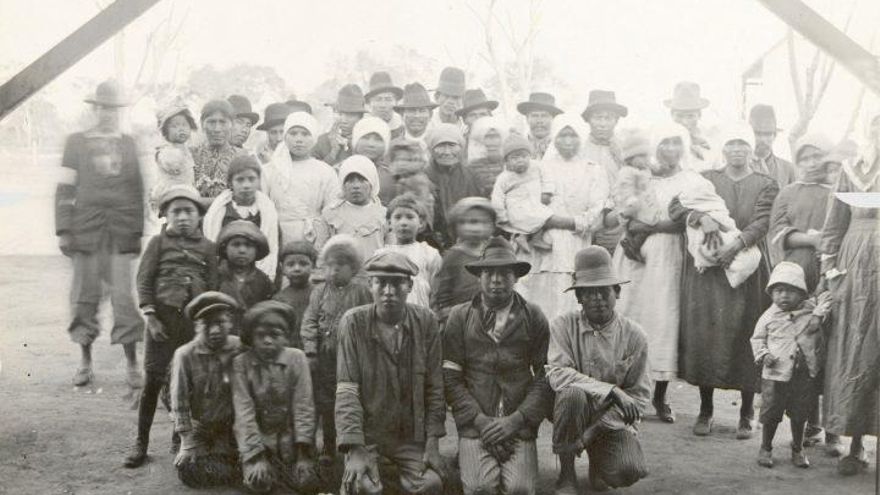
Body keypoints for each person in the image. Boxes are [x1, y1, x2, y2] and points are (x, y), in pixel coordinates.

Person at [670, 124, 779, 439]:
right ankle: (706, 410)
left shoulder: (765, 183)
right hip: (709, 269)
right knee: (707, 336)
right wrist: (698, 218)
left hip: (746, 269)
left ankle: (746, 413)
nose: (736, 150)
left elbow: (763, 220)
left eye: (742, 144)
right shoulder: (706, 178)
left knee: (746, 334)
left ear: (750, 148)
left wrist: (739, 242)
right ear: (722, 148)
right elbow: (675, 206)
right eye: (730, 143)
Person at [612, 124, 717, 423]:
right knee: (632, 316)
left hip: (670, 255)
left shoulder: (692, 180)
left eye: (675, 143)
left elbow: (687, 218)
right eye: (664, 143)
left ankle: (658, 396)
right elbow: (624, 208)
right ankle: (626, 394)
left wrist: (650, 227)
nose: (670, 149)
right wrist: (630, 232)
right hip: (635, 255)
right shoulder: (641, 175)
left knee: (663, 321)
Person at [443, 236, 552, 495]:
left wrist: (517, 420)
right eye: (489, 272)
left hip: (518, 421)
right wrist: (481, 422)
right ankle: (467, 456)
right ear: (479, 277)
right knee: (480, 488)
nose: (496, 280)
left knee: (520, 489)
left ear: (516, 277)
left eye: (504, 273)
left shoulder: (533, 316)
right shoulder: (460, 317)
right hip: (475, 420)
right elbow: (451, 378)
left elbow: (545, 377)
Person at [55, 80, 145, 388]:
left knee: (123, 298)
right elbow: (65, 187)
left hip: (120, 232)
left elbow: (136, 190)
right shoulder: (76, 142)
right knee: (84, 297)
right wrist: (65, 229)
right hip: (86, 230)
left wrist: (136, 232)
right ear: (95, 108)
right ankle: (85, 360)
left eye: (114, 109)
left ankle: (133, 364)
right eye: (103, 107)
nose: (108, 114)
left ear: (119, 111)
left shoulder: (129, 144)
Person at [335, 251, 446, 495]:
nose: (388, 291)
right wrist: (354, 447)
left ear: (409, 285)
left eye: (397, 283)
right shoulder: (353, 323)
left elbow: (434, 386)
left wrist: (432, 442)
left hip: (410, 436)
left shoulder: (426, 321)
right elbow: (347, 388)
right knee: (362, 487)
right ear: (369, 285)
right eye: (381, 283)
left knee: (431, 484)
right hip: (368, 436)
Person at [125, 185, 219, 468]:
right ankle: (141, 441)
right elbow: (143, 281)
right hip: (162, 323)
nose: (182, 218)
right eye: (175, 212)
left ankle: (181, 435)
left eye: (188, 211)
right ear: (165, 215)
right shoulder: (157, 243)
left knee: (189, 382)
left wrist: (205, 325)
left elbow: (213, 286)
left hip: (193, 326)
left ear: (199, 216)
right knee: (153, 381)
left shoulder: (209, 248)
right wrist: (151, 317)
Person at [547, 246, 650, 493]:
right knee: (572, 394)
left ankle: (598, 462)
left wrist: (592, 433)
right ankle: (567, 472)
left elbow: (639, 397)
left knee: (628, 470)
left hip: (610, 421)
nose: (598, 299)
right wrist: (611, 390)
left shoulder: (635, 335)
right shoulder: (562, 325)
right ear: (578, 297)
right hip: (571, 409)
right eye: (589, 293)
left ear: (617, 292)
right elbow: (557, 373)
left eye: (604, 291)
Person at [819, 113, 880, 476]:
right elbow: (834, 222)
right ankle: (855, 445)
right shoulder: (853, 170)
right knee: (857, 350)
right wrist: (830, 272)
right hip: (857, 266)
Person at [517, 113, 611, 322]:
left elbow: (596, 218)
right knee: (541, 305)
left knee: (571, 307)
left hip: (577, 245)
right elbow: (527, 209)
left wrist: (561, 221)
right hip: (542, 250)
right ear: (554, 138)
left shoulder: (594, 170)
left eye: (573, 136)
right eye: (562, 136)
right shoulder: (539, 168)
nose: (568, 141)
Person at [232, 301, 320, 494]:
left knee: (308, 483)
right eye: (260, 335)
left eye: (275, 335)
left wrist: (303, 454)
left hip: (292, 440)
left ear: (286, 337)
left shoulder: (297, 358)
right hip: (260, 441)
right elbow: (243, 413)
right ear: (250, 338)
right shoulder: (241, 363)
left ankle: (295, 464)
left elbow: (304, 406)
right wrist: (256, 458)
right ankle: (254, 464)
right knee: (259, 483)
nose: (268, 341)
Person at [751, 262, 831, 469]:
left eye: (790, 291)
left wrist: (819, 310)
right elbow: (757, 339)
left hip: (802, 374)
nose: (784, 296)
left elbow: (825, 299)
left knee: (799, 413)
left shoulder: (810, 309)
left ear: (801, 293)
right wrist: (763, 354)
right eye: (779, 291)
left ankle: (797, 448)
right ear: (771, 293)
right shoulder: (768, 316)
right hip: (775, 374)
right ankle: (766, 447)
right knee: (771, 413)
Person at [301, 234, 373, 463]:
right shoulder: (319, 292)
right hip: (325, 357)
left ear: (352, 268)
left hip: (352, 356)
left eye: (340, 266)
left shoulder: (362, 291)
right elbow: (310, 321)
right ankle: (329, 446)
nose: (333, 271)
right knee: (326, 402)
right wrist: (311, 350)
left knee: (352, 398)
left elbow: (369, 321)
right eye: (329, 266)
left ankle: (354, 445)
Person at [169, 291, 243, 488]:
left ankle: (223, 455)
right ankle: (183, 446)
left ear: (230, 322)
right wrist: (187, 443)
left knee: (241, 467)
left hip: (229, 424)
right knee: (189, 470)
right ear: (196, 327)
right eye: (207, 325)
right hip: (198, 425)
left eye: (220, 322)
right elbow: (179, 401)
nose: (215, 330)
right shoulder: (185, 355)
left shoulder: (239, 347)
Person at [262, 111, 339, 248]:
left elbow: (332, 209)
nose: (299, 139)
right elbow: (263, 206)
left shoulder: (325, 171)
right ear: (285, 136)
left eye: (305, 134)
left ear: (314, 137)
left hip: (314, 236)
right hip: (277, 235)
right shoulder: (270, 170)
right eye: (293, 133)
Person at [769, 133, 834, 289]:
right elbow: (777, 234)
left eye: (817, 156)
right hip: (796, 268)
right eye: (804, 159)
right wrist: (813, 240)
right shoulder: (788, 193)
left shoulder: (840, 191)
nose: (812, 164)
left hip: (832, 265)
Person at [203, 154, 279, 280]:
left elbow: (273, 246)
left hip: (257, 273)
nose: (246, 185)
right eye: (240, 180)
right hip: (225, 273)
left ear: (259, 181)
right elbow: (213, 244)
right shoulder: (220, 212)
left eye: (251, 179)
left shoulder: (267, 212)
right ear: (230, 183)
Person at [431, 197, 496, 324]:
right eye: (466, 222)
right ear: (456, 227)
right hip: (461, 318)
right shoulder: (453, 256)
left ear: (492, 226)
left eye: (482, 222)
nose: (474, 228)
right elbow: (442, 288)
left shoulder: (495, 253)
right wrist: (445, 312)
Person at [374, 194, 441, 309]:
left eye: (410, 217)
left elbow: (436, 291)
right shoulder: (381, 255)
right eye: (398, 217)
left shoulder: (429, 253)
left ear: (421, 223)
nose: (403, 223)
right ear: (389, 223)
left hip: (420, 314)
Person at [491, 134, 555, 253]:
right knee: (537, 216)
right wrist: (502, 216)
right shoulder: (504, 178)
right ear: (506, 161)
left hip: (534, 203)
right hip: (516, 207)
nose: (520, 160)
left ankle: (532, 237)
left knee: (547, 215)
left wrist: (547, 191)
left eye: (524, 156)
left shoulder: (536, 166)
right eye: (515, 158)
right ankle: (522, 237)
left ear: (530, 156)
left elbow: (547, 177)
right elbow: (497, 199)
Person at [582, 90, 628, 254]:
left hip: (616, 220)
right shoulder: (580, 149)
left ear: (616, 120)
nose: (602, 123)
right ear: (589, 120)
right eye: (598, 117)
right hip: (585, 218)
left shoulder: (625, 149)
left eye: (608, 118)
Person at [424, 123, 482, 250]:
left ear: (461, 147)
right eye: (440, 146)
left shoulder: (471, 176)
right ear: (431, 149)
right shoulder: (423, 177)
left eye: (452, 145)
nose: (447, 152)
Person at [323, 155, 389, 261]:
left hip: (374, 273)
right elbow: (322, 252)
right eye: (350, 181)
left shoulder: (383, 215)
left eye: (362, 180)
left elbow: (390, 251)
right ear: (343, 185)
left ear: (372, 183)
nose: (356, 186)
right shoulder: (331, 213)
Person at [216, 220, 274, 316]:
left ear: (257, 250)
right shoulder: (215, 276)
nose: (242, 250)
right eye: (236, 244)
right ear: (224, 248)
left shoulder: (263, 281)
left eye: (248, 245)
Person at [191, 99, 244, 199]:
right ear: (202, 124)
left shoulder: (242, 158)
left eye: (223, 122)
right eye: (211, 122)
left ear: (232, 125)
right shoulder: (191, 155)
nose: (217, 129)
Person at [151, 104, 197, 214]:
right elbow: (173, 164)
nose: (181, 129)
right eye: (175, 126)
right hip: (170, 192)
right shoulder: (167, 151)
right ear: (166, 132)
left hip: (186, 191)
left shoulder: (186, 149)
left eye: (184, 125)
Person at [271, 241, 319, 349]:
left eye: (303, 263)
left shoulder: (320, 294)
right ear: (282, 268)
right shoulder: (279, 299)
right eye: (290, 264)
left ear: (313, 266)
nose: (297, 268)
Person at [664, 81, 717, 172]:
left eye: (690, 116)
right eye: (679, 116)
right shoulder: (661, 140)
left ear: (699, 115)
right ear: (672, 115)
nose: (684, 122)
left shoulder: (711, 141)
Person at [313, 84, 366, 166]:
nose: (344, 120)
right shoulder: (321, 142)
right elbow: (313, 175)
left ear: (360, 117)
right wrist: (333, 153)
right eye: (340, 114)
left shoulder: (368, 141)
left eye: (350, 115)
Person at [388, 138, 436, 227]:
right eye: (399, 159)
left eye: (409, 160)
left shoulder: (418, 180)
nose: (402, 163)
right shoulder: (396, 178)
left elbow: (424, 207)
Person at [749, 104, 797, 188]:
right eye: (758, 134)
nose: (763, 139)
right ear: (749, 135)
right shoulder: (737, 167)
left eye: (768, 134)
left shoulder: (788, 169)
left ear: (774, 135)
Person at [351, 115, 395, 205]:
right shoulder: (338, 171)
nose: (371, 144)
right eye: (365, 138)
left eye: (378, 140)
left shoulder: (392, 176)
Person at [466, 115, 509, 196]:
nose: (492, 141)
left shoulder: (510, 162)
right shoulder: (472, 167)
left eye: (495, 136)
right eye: (487, 136)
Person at [517, 92, 563, 160]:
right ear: (527, 119)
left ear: (553, 119)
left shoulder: (562, 147)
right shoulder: (518, 147)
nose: (539, 121)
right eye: (534, 115)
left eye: (544, 116)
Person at [396, 82, 438, 149]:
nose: (417, 116)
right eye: (411, 110)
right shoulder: (393, 147)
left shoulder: (437, 145)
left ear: (430, 115)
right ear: (402, 114)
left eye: (422, 111)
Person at [365, 71, 405, 139]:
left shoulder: (403, 130)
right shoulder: (362, 130)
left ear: (396, 102)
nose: (383, 105)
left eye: (388, 99)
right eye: (378, 99)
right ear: (370, 103)